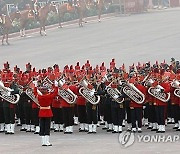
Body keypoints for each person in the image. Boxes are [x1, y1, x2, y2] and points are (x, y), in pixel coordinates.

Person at [34, 80, 58, 146]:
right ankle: (47, 142)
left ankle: (43, 142)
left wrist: (35, 86)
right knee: (47, 127)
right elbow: (55, 93)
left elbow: (35, 93)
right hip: (48, 112)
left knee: (42, 127)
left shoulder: (39, 96)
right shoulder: (49, 96)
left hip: (41, 112)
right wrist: (56, 86)